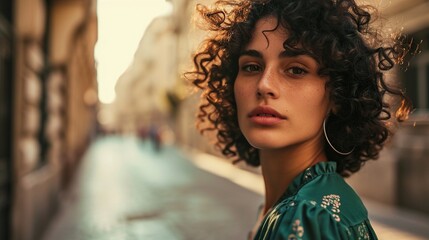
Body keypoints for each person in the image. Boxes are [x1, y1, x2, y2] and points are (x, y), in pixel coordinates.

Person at [186, 0, 411, 239]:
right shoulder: (291, 207)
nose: (264, 85)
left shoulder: (307, 217)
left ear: (337, 95)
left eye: (296, 70)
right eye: (251, 67)